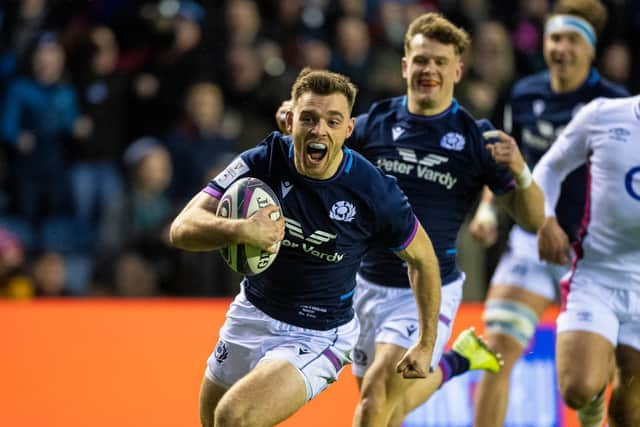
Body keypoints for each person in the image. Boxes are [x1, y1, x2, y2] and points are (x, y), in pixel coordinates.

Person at [276, 13, 544, 427]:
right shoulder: (372, 124)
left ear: (457, 70)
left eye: (440, 61)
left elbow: (532, 220)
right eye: (421, 60)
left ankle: (454, 359)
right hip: (363, 284)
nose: (429, 70)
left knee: (374, 403)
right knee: (387, 407)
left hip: (424, 290)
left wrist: (522, 172)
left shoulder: (476, 138)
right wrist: (301, 124)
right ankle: (458, 361)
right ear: (405, 66)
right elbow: (321, 152)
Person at [169, 68, 443, 427]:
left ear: (348, 129)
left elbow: (423, 260)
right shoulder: (263, 160)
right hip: (251, 312)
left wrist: (426, 343)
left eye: (333, 121)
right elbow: (181, 228)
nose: (319, 130)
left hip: (319, 334)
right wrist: (240, 230)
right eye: (309, 119)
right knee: (213, 422)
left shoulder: (373, 190)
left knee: (234, 417)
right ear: (290, 120)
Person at [469, 2, 629, 426]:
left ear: (592, 50)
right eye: (555, 37)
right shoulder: (524, 94)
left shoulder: (614, 105)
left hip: (596, 255)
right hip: (532, 242)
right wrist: (488, 209)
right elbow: (505, 163)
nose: (561, 48)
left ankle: (595, 398)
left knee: (595, 381)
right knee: (493, 352)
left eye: (573, 39)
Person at [533, 95, 640, 427]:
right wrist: (546, 218)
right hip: (597, 275)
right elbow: (550, 167)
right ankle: (592, 406)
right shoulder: (604, 115)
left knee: (628, 414)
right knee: (577, 388)